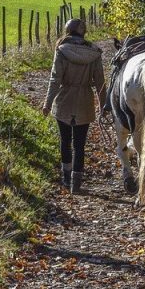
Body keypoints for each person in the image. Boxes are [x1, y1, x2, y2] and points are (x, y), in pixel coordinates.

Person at [42, 18, 105, 194]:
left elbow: (55, 79)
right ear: (83, 32)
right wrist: (104, 105)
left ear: (68, 31)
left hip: (64, 99)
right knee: (80, 143)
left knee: (65, 141)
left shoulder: (61, 50)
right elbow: (100, 82)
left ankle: (66, 178)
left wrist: (47, 103)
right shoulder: (94, 53)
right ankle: (76, 183)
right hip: (84, 99)